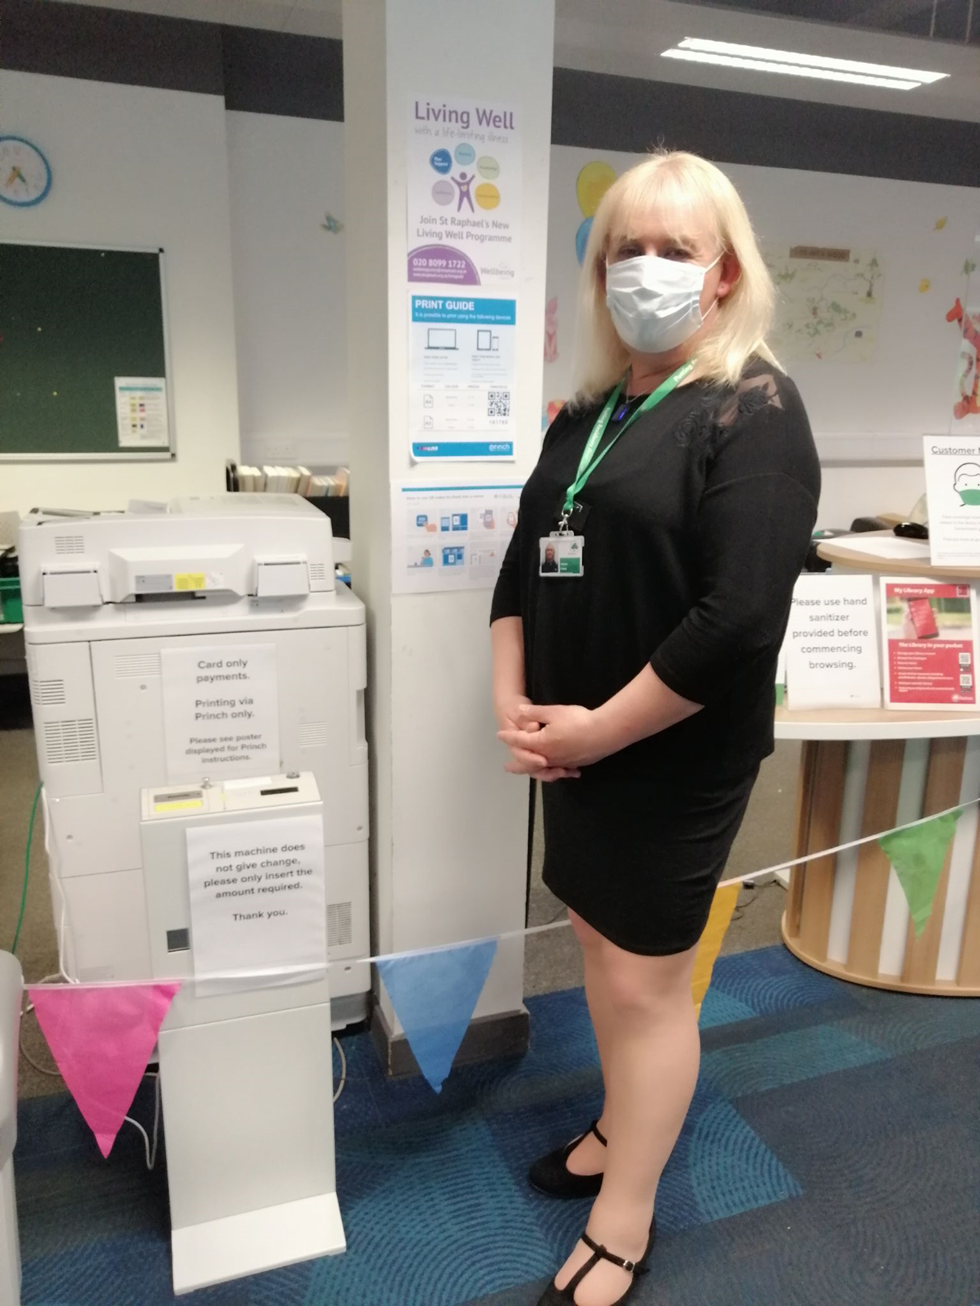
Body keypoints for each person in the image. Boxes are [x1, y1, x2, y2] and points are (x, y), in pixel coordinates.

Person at [490, 150, 819, 1306]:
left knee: (644, 985)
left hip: (670, 755)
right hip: (573, 747)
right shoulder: (588, 410)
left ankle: (623, 1210)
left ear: (723, 273)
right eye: (623, 248)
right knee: (596, 948)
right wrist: (511, 697)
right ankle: (616, 1120)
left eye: (674, 249)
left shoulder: (754, 409)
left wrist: (593, 734)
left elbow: (736, 620)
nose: (644, 267)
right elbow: (522, 564)